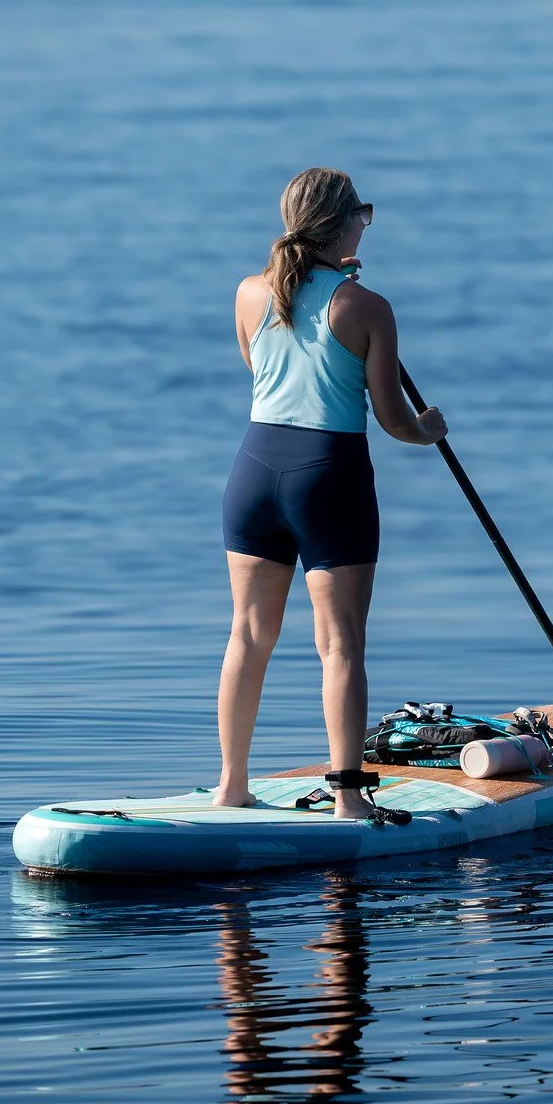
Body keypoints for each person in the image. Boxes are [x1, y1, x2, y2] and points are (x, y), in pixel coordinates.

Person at [215, 168, 448, 818]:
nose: (365, 224)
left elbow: (260, 372)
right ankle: (349, 799)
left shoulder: (248, 293)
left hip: (254, 472)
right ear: (346, 223)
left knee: (248, 635)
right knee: (340, 644)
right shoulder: (367, 307)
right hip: (329, 476)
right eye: (364, 215)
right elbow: (394, 419)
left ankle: (232, 787)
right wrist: (427, 430)